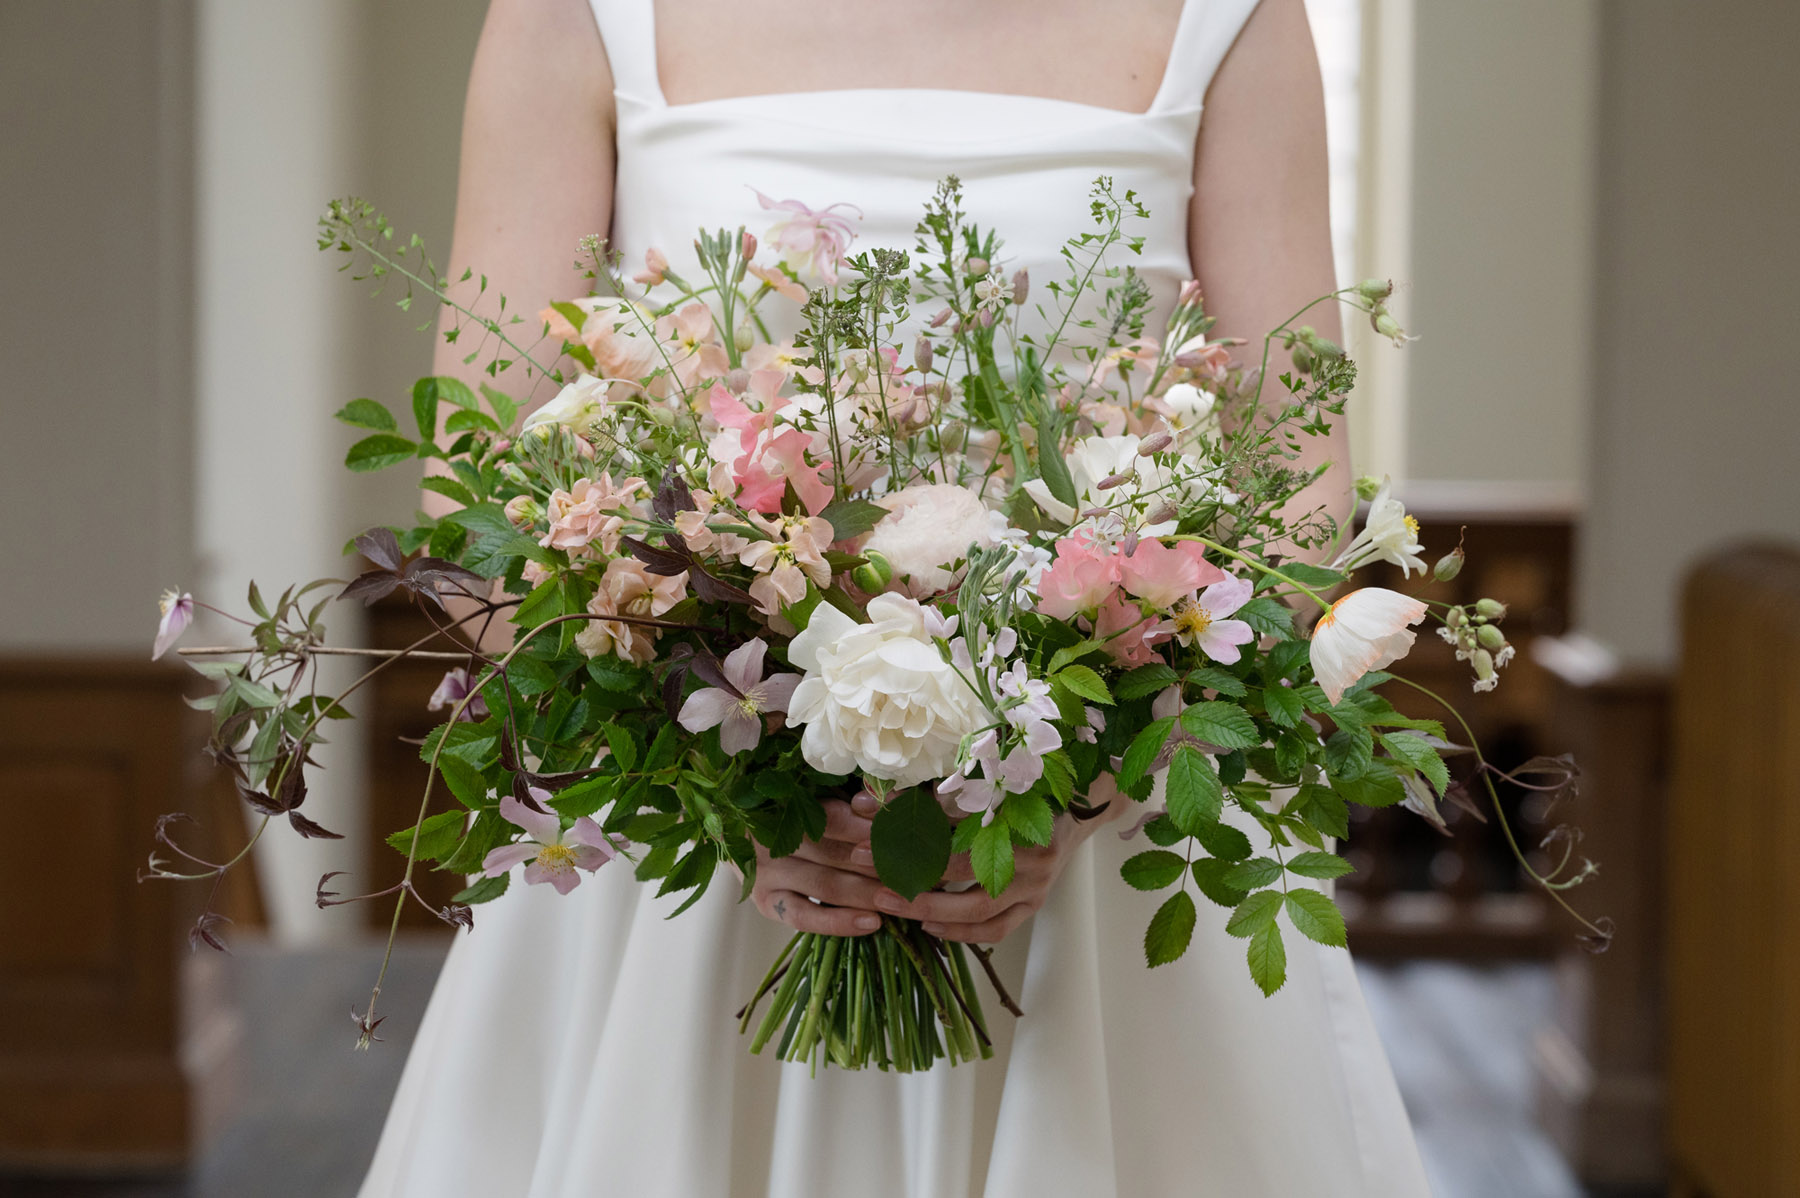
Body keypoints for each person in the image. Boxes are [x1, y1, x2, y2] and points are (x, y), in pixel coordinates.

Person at [359, 1, 1431, 1194]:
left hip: (1096, 864)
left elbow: (1295, 485)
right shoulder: (573, 15)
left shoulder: (1234, 18)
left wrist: (1079, 784)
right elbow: (481, 489)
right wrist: (722, 776)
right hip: (694, 857)